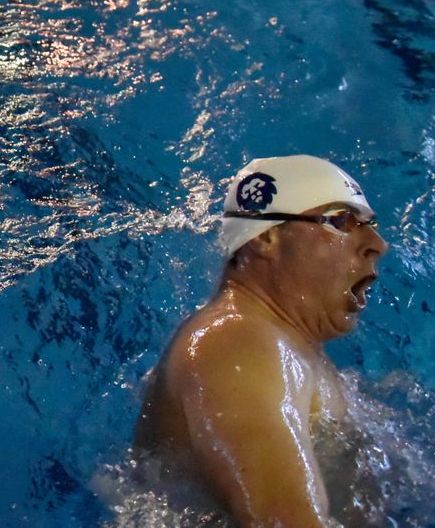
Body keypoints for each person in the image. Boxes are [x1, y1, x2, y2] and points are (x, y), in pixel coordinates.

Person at [136, 155, 389, 527]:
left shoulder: (289, 346)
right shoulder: (235, 343)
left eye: (370, 225)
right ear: (266, 236)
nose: (377, 244)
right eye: (341, 222)